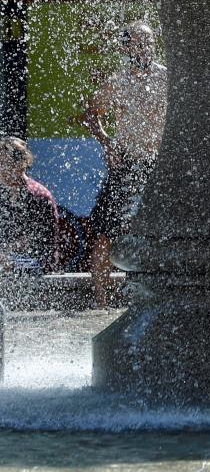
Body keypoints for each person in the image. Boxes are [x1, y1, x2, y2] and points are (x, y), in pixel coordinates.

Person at [79, 21, 168, 306]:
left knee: (163, 231)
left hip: (159, 164)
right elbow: (91, 114)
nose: (146, 47)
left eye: (149, 41)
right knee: (104, 231)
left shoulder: (166, 78)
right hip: (127, 163)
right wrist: (106, 143)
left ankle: (160, 297)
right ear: (126, 47)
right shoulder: (117, 82)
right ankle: (101, 301)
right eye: (139, 42)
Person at [1, 136, 61, 278]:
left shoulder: (39, 195)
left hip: (35, 261)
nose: (1, 168)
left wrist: (6, 252)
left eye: (4, 163)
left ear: (20, 164)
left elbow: (36, 240)